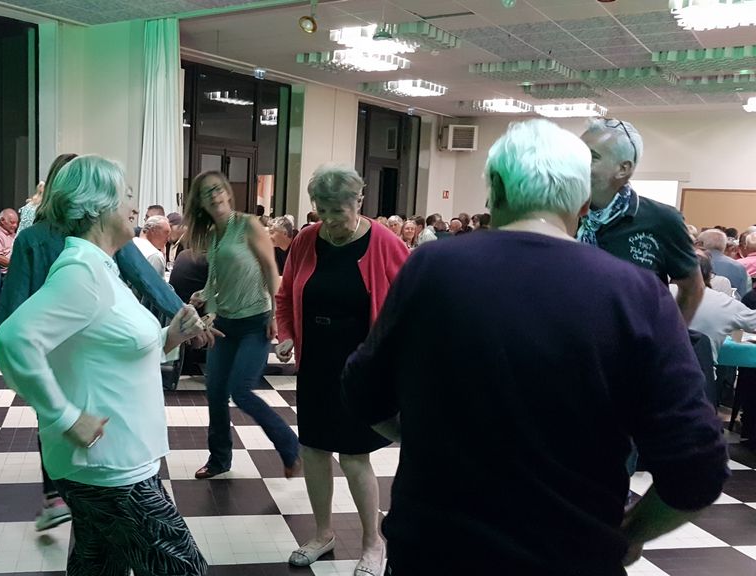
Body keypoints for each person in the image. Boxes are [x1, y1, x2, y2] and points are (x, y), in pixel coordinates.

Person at [342, 119, 728, 575]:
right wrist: (630, 533)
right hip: (572, 556)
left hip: (436, 551)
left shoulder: (433, 268)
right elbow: (698, 466)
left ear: (496, 190)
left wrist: (422, 437)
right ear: (582, 202)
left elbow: (362, 391)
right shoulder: (635, 291)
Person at [0, 155, 209, 576]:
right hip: (110, 468)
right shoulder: (82, 274)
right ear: (96, 206)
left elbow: (110, 346)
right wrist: (65, 417)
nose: (133, 205)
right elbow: (13, 340)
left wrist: (171, 336)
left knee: (98, 566)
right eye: (125, 195)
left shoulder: (100, 268)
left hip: (111, 462)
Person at [275, 164, 409, 576]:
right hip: (316, 362)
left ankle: (373, 542)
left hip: (361, 369)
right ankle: (323, 533)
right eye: (322, 210)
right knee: (314, 450)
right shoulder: (306, 239)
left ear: (358, 201)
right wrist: (286, 334)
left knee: (353, 456)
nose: (330, 220)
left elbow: (411, 302)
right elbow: (285, 295)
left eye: (338, 211)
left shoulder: (385, 243)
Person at [185, 170, 301, 479]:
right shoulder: (214, 235)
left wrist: (274, 316)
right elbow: (215, 281)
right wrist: (206, 306)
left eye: (217, 188)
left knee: (241, 391)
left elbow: (270, 269)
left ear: (227, 192)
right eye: (206, 192)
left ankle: (290, 447)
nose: (214, 195)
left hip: (255, 323)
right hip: (225, 324)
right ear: (200, 202)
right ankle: (219, 459)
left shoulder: (248, 224)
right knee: (215, 393)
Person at [578, 118, 704, 322]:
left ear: (623, 169)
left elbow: (693, 288)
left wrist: (671, 335)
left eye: (591, 157)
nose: (576, 164)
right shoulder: (561, 214)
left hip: (633, 338)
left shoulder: (661, 220)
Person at [671, 249, 756, 403]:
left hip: (651, 378)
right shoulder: (724, 303)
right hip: (700, 386)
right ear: (709, 274)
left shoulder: (656, 293)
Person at [697, 228, 750, 298]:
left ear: (700, 244)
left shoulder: (693, 263)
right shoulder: (739, 267)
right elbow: (743, 296)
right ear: (724, 245)